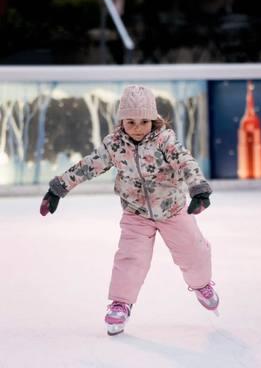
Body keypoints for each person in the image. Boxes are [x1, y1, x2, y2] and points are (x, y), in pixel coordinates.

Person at [40, 84, 219, 336]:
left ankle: (202, 285)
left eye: (144, 121)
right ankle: (121, 303)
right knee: (129, 259)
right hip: (136, 213)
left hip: (173, 209)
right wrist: (58, 188)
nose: (137, 127)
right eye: (130, 121)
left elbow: (185, 161)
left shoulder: (165, 140)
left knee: (193, 250)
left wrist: (199, 189)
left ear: (154, 119)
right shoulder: (115, 145)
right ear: (121, 120)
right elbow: (88, 165)